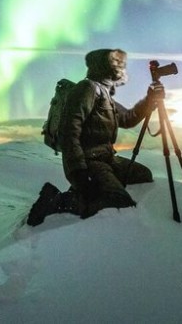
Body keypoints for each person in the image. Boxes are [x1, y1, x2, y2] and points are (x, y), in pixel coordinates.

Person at [27, 48, 163, 226]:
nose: (120, 69)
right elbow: (69, 132)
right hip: (89, 162)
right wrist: (78, 173)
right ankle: (56, 201)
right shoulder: (86, 89)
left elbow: (128, 119)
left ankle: (98, 187)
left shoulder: (104, 94)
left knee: (143, 175)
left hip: (107, 159)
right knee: (119, 202)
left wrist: (149, 100)